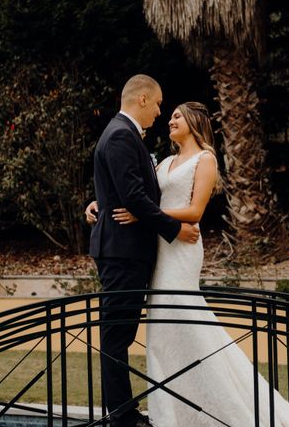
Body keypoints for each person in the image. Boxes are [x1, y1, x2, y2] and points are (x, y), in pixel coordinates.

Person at [88, 101, 289, 427]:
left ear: (195, 121)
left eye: (176, 115)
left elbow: (195, 212)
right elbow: (138, 195)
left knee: (184, 321)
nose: (168, 119)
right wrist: (100, 205)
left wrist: (145, 214)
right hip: (160, 248)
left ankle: (223, 408)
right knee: (161, 333)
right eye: (168, 113)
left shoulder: (206, 159)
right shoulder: (165, 162)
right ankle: (171, 413)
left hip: (183, 247)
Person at [88, 74, 200, 427]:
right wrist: (174, 229)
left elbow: (122, 190)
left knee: (117, 332)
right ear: (142, 100)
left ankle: (121, 412)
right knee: (117, 334)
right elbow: (134, 196)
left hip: (124, 248)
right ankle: (122, 417)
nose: (161, 111)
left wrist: (99, 203)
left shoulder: (120, 133)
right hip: (122, 249)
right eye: (159, 103)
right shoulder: (122, 134)